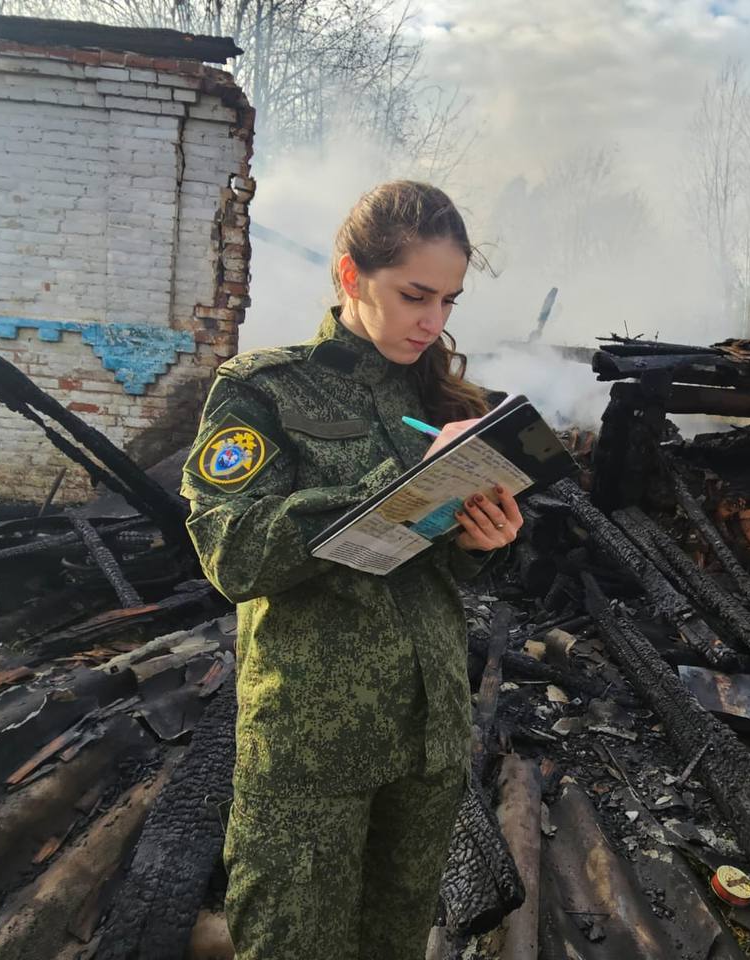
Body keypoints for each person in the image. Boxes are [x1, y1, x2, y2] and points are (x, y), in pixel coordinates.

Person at [181, 180, 522, 960]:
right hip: (311, 749)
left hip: (427, 741)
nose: (432, 322)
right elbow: (231, 555)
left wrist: (481, 542)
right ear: (349, 276)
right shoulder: (262, 389)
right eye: (413, 295)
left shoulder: (438, 398)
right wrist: (391, 488)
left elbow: (434, 575)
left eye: (449, 302)